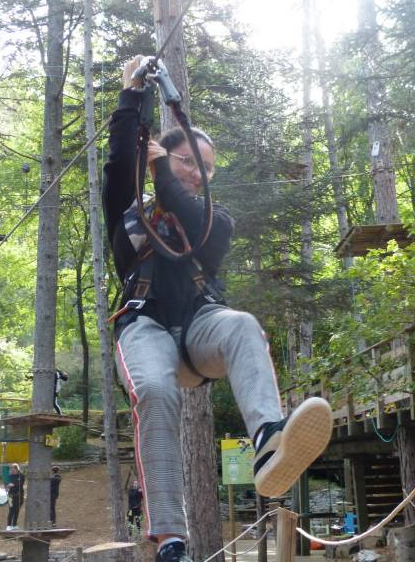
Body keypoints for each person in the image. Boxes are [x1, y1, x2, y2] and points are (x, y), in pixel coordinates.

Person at [103, 55, 332, 562]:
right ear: (161, 155)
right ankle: (170, 539)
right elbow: (120, 159)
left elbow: (188, 215)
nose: (197, 173)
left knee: (242, 325)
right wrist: (132, 93)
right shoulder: (129, 209)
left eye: (206, 168)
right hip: (145, 324)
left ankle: (269, 442)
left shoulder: (214, 220)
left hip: (200, 326)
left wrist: (165, 168)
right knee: (156, 390)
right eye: (188, 161)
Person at [6, 463, 25, 530]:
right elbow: (7, 484)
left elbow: (20, 483)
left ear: (17, 469)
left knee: (17, 510)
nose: (12, 471)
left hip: (19, 496)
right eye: (11, 469)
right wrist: (7, 486)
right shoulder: (9, 476)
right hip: (10, 496)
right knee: (11, 510)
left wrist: (13, 484)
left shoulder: (21, 476)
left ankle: (14, 525)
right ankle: (8, 525)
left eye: (13, 469)